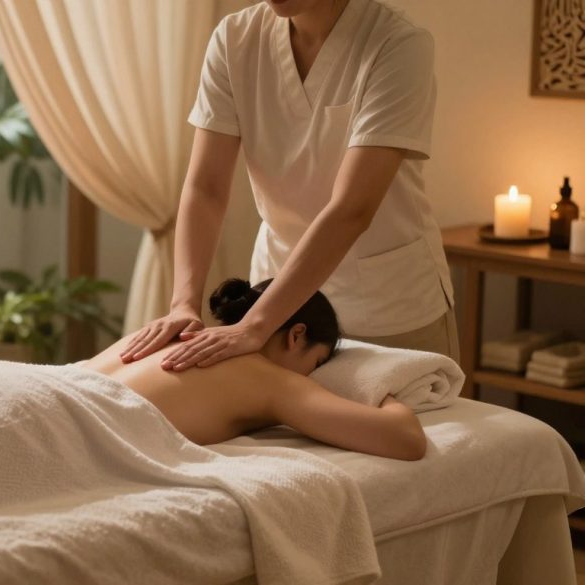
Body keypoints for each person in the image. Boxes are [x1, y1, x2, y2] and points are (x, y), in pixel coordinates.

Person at [120, 0, 458, 372]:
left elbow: (351, 209)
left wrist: (254, 325)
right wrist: (183, 304)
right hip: (278, 303)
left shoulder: (398, 44)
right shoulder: (235, 39)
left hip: (386, 307)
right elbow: (206, 188)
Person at [85, 278, 426, 459]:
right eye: (317, 363)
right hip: (81, 431)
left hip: (61, 393)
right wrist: (378, 387)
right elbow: (406, 440)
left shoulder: (169, 333)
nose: (310, 376)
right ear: (296, 335)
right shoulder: (266, 377)